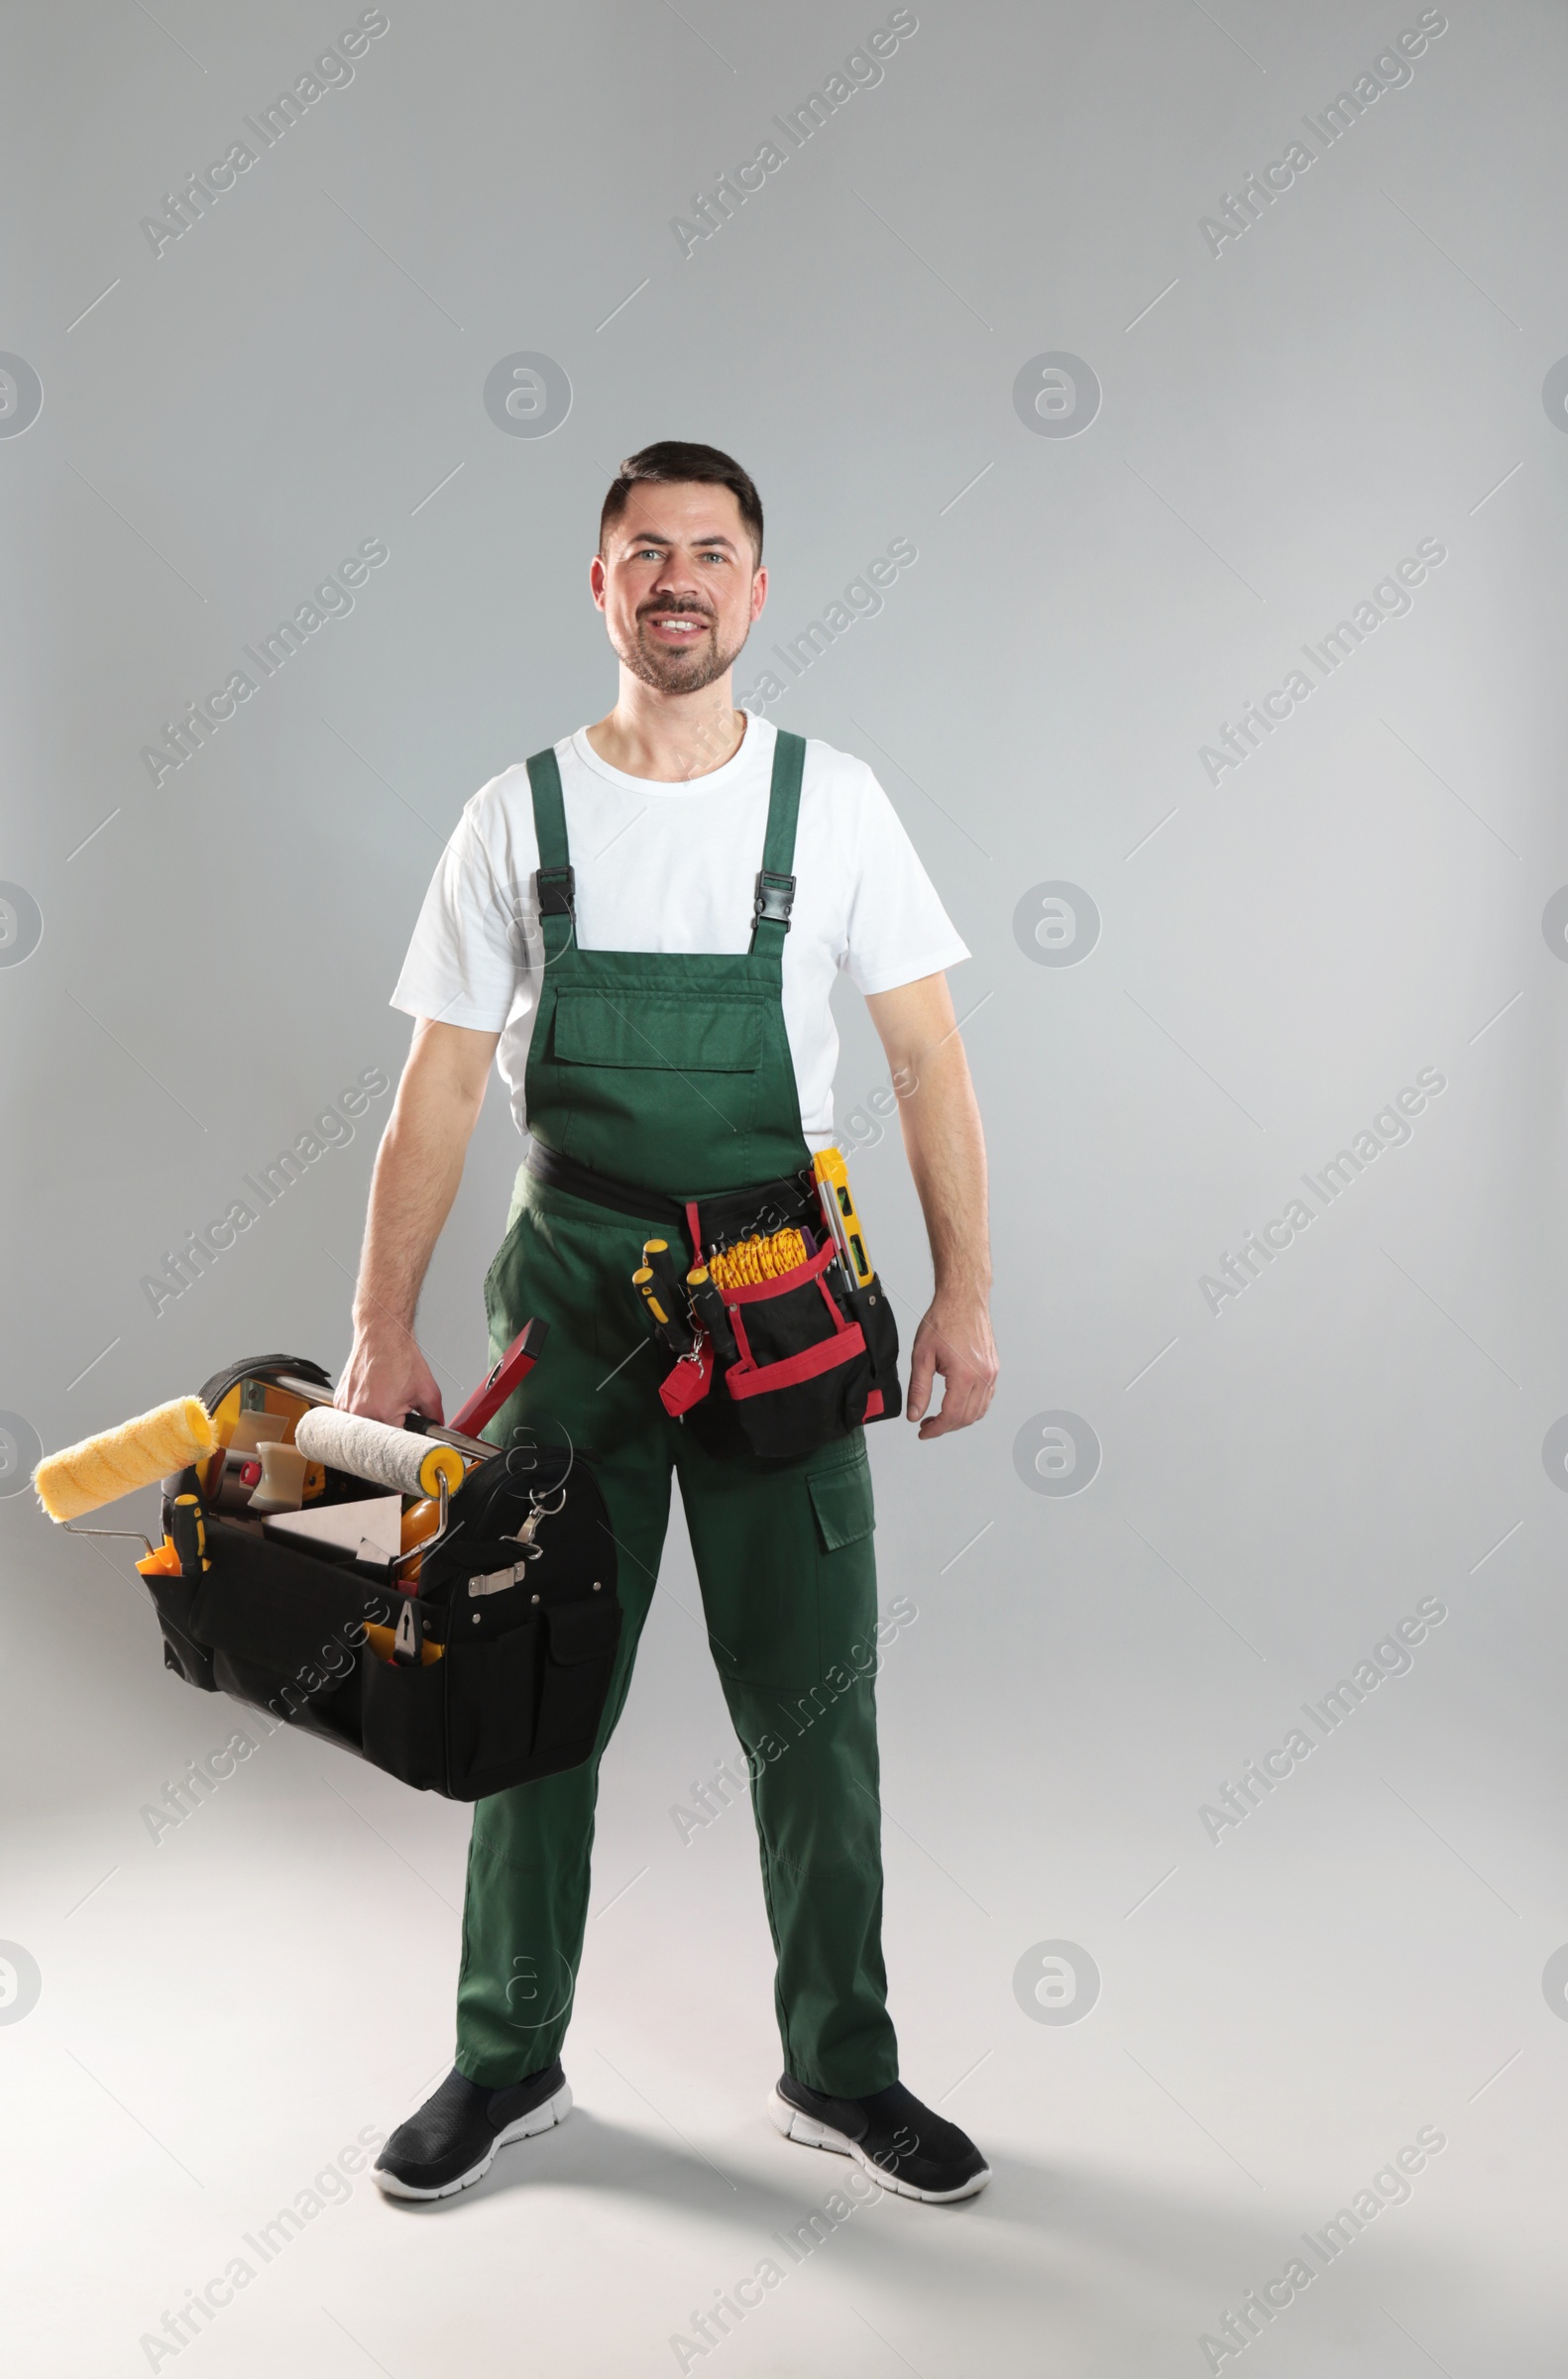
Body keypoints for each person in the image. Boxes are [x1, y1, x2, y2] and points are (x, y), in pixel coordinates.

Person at [337, 440, 998, 2206]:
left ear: (759, 591)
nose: (681, 578)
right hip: (569, 1307)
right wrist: (379, 1327)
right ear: (604, 585)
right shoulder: (519, 815)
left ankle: (844, 2071)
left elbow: (930, 1062)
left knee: (813, 1701)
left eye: (713, 551)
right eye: (647, 551)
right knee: (526, 1673)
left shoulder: (833, 803)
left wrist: (969, 1297)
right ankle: (504, 2059)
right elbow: (438, 1089)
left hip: (780, 1305)